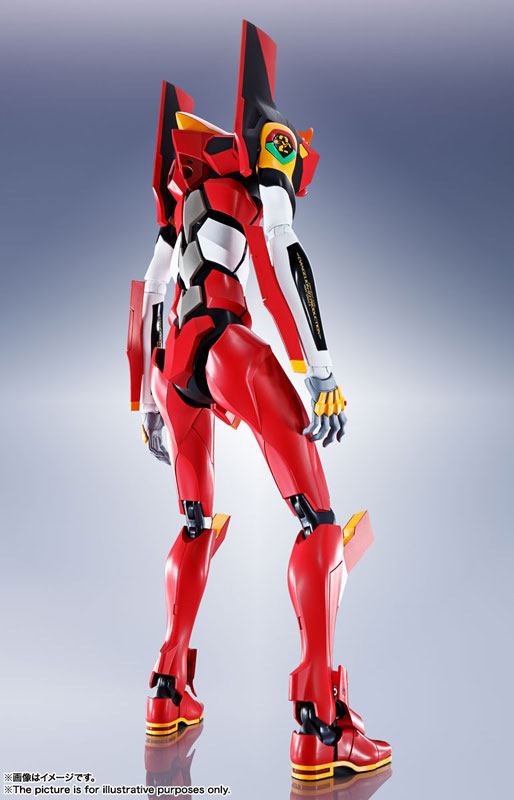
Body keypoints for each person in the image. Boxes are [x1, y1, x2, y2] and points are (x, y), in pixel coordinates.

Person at [127, 20, 391, 781]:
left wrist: (146, 401)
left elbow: (149, 293)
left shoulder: (182, 199)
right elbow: (282, 259)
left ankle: (167, 689)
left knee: (194, 521)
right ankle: (321, 725)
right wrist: (321, 369)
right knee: (317, 520)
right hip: (225, 345)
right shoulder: (260, 173)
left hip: (177, 366)